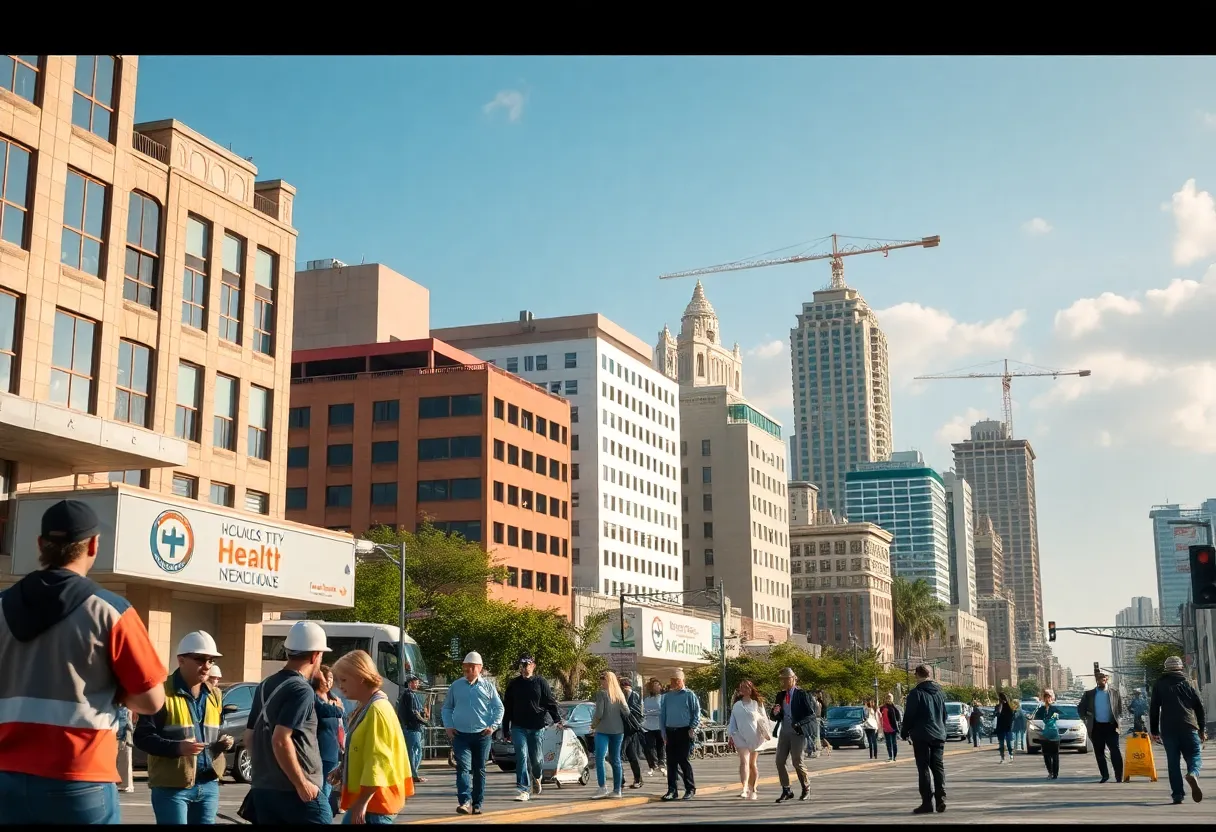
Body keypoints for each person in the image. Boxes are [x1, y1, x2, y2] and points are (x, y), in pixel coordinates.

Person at [0, 499, 167, 825]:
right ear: (93, 545)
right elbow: (152, 700)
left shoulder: (1, 607)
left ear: (40, 544)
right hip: (80, 778)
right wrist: (114, 688)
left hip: (6, 777)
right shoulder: (111, 611)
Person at [134, 630, 235, 824]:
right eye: (200, 659)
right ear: (181, 660)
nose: (206, 666)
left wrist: (218, 747)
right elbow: (142, 738)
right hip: (172, 787)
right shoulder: (161, 693)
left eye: (211, 661)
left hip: (208, 784)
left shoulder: (214, 695)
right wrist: (177, 748)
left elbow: (208, 737)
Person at [244, 619, 334, 824]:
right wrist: (302, 783)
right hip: (296, 793)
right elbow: (280, 739)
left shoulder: (264, 685)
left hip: (263, 790)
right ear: (315, 655)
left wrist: (266, 773)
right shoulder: (302, 689)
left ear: (288, 651)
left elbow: (250, 736)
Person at [330, 650, 413, 824]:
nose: (339, 686)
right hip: (373, 802)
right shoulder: (370, 706)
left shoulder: (376, 710)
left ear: (360, 676)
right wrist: (342, 769)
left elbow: (378, 761)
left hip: (375, 803)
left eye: (344, 680)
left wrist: (362, 802)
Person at [441, 651, 504, 816]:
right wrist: (448, 726)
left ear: (480, 668)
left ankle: (477, 803)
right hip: (460, 735)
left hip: (482, 735)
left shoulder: (488, 687)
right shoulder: (456, 686)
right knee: (462, 767)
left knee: (479, 769)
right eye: (465, 668)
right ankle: (464, 801)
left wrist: (493, 726)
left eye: (471, 667)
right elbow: (447, 707)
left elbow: (499, 708)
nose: (467, 671)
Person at [502, 654, 562, 801]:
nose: (525, 667)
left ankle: (537, 776)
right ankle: (523, 789)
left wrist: (557, 719)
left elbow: (549, 702)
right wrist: (505, 729)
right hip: (518, 726)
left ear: (533, 666)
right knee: (521, 756)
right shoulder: (513, 684)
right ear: (519, 667)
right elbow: (507, 708)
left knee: (536, 759)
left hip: (536, 726)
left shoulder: (540, 682)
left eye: (528, 664)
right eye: (522, 665)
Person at [1149, 655, 1206, 804]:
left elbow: (1154, 708)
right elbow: (1199, 708)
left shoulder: (1160, 684)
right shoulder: (1189, 683)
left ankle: (1177, 795)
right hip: (1189, 726)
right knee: (1195, 755)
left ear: (1166, 669)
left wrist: (1154, 731)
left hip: (1168, 729)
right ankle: (1192, 773)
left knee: (1173, 762)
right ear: (1181, 667)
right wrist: (1202, 729)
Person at [901, 664, 948, 815]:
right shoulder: (940, 693)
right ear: (930, 675)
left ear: (917, 675)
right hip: (939, 734)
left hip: (922, 735)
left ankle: (927, 803)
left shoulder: (916, 693)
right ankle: (941, 798)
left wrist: (904, 731)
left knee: (924, 768)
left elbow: (909, 715)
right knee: (938, 767)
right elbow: (944, 715)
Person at [769, 667, 815, 802]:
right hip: (784, 732)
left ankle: (806, 787)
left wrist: (799, 724)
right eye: (782, 680)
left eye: (786, 679)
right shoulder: (781, 695)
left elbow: (811, 715)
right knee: (779, 761)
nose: (783, 682)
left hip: (797, 733)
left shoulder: (801, 694)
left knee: (797, 761)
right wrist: (775, 712)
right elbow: (773, 716)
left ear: (793, 679)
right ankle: (786, 789)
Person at [659, 669, 700, 801]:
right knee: (670, 763)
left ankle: (690, 788)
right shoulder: (667, 696)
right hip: (670, 731)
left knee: (683, 760)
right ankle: (672, 790)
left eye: (677, 680)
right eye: (672, 680)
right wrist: (663, 732)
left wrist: (692, 728)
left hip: (684, 731)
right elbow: (663, 715)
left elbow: (696, 713)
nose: (674, 683)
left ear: (682, 681)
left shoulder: (689, 695)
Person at [1078, 670, 1124, 783]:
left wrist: (1118, 721)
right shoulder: (1089, 694)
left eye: (1103, 677)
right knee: (1099, 753)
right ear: (1096, 679)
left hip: (1111, 726)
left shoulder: (1114, 692)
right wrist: (1086, 719)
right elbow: (1080, 709)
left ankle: (1119, 776)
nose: (1101, 679)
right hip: (1096, 727)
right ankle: (1105, 775)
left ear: (1107, 678)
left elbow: (1119, 710)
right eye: (1098, 677)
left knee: (1115, 750)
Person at [312, 665, 347, 817]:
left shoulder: (334, 698)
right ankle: (321, 815)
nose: (329, 681)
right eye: (326, 678)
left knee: (327, 786)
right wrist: (338, 709)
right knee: (321, 788)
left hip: (333, 749)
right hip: (319, 748)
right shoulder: (315, 699)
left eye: (331, 678)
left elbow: (341, 724)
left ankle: (323, 814)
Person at [590, 670, 630, 799]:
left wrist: (593, 725)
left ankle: (602, 787)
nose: (601, 681)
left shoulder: (601, 694)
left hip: (602, 730)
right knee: (616, 760)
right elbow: (627, 712)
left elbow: (599, 714)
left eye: (603, 678)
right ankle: (617, 790)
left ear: (607, 680)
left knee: (600, 758)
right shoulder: (619, 694)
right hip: (618, 731)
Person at [727, 680, 770, 800]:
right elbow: (732, 721)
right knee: (743, 762)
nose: (745, 690)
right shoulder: (737, 705)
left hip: (754, 736)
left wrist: (765, 733)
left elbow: (764, 720)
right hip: (740, 736)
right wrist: (731, 734)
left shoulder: (757, 704)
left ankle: (754, 787)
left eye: (747, 688)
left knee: (752, 764)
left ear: (751, 689)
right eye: (742, 688)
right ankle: (744, 788)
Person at [397, 675, 428, 789]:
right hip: (412, 727)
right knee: (414, 751)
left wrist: (423, 714)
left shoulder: (410, 695)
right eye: (415, 682)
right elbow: (413, 713)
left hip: (413, 727)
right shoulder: (409, 695)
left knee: (415, 750)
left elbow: (417, 711)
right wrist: (425, 721)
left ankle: (413, 774)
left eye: (417, 682)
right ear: (410, 683)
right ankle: (413, 775)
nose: (417, 684)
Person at [619, 677, 645, 789]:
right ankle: (637, 779)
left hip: (628, 729)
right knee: (631, 755)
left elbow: (634, 712)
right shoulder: (635, 695)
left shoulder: (632, 696)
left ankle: (621, 780)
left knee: (618, 754)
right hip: (628, 729)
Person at [1033, 689, 1063, 780]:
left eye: (1049, 697)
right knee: (1046, 755)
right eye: (1046, 697)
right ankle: (1050, 772)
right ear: (1043, 698)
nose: (1048, 699)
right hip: (1044, 735)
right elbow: (1035, 717)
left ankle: (1055, 773)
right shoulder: (1041, 709)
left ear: (1052, 698)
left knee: (1055, 755)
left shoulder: (1055, 709)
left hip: (1054, 735)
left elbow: (1056, 717)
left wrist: (1053, 717)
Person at [642, 679, 666, 776]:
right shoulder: (647, 699)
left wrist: (652, 712)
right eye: (654, 685)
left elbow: (662, 711)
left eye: (658, 685)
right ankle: (653, 765)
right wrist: (653, 712)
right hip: (648, 726)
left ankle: (662, 763)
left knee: (661, 746)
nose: (657, 687)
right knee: (650, 746)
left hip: (660, 725)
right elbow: (644, 711)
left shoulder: (663, 698)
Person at [116, 705, 135, 793]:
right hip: (121, 732)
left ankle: (125, 784)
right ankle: (124, 784)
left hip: (123, 733)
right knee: (124, 758)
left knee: (125, 757)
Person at [993, 693, 1016, 763]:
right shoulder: (998, 707)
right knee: (1001, 744)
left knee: (1008, 743)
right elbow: (997, 713)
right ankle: (1002, 757)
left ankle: (1011, 754)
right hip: (1000, 727)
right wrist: (1000, 705)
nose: (1000, 700)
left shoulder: (1009, 707)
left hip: (1007, 727)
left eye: (1001, 699)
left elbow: (1012, 715)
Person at [879, 693, 902, 762]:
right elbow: (879, 716)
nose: (888, 699)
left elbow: (898, 717)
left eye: (890, 698)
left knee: (893, 743)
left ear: (892, 699)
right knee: (888, 743)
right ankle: (890, 756)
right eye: (887, 698)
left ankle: (894, 756)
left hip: (893, 727)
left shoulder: (894, 707)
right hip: (886, 728)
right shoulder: (882, 707)